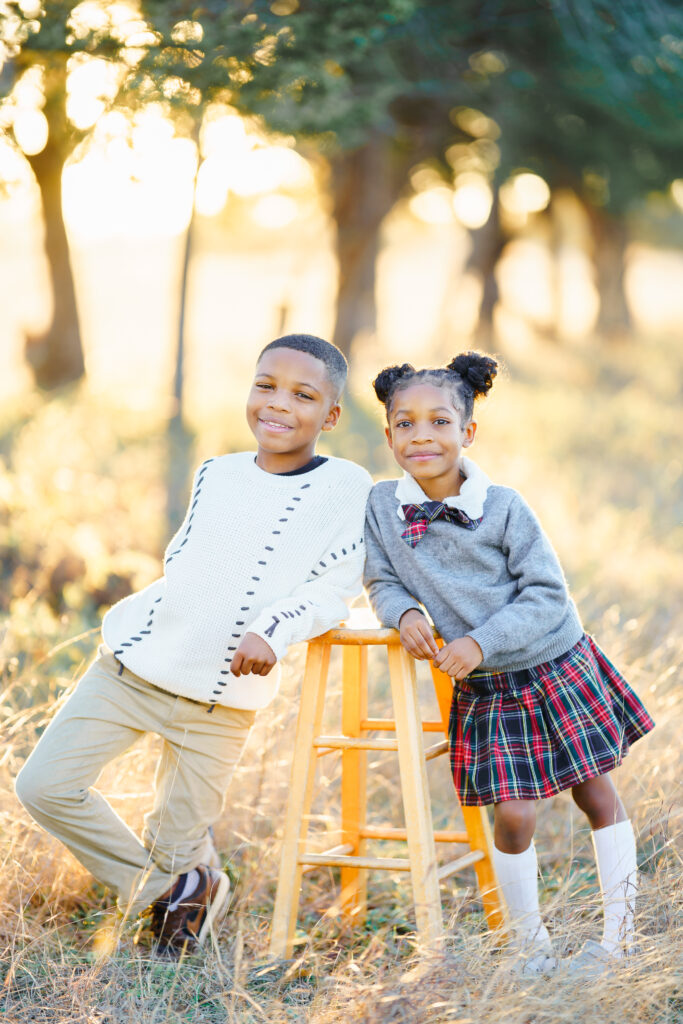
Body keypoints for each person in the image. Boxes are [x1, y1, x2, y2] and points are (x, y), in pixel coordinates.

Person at [16, 333, 373, 952]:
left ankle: (185, 879)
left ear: (332, 415)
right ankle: (175, 892)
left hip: (221, 699)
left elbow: (333, 590)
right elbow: (186, 560)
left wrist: (272, 627)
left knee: (174, 838)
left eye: (303, 394)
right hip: (134, 667)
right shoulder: (216, 471)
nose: (278, 404)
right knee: (43, 785)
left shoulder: (346, 487)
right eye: (265, 385)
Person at [363, 352, 654, 976]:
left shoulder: (504, 506)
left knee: (596, 794)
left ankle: (621, 939)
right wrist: (405, 614)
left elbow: (547, 593)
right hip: (487, 687)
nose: (422, 436)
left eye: (439, 422)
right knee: (515, 812)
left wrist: (479, 641)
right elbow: (381, 579)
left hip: (552, 661)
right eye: (405, 424)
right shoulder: (383, 507)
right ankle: (529, 951)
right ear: (388, 435)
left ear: (468, 432)